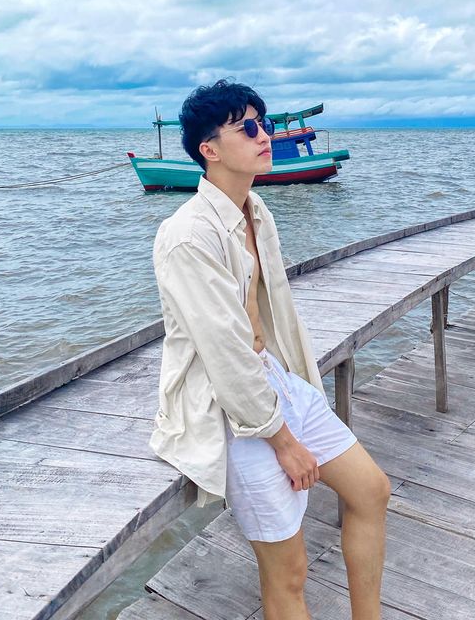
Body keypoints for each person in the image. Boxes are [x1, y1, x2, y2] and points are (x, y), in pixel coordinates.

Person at [149, 78, 390, 620]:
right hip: (228, 408)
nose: (265, 135)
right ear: (209, 149)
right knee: (289, 572)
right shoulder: (187, 235)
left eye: (264, 123)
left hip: (272, 379)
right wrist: (283, 441)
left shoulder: (255, 210)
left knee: (371, 491)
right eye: (247, 128)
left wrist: (296, 394)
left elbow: (272, 314)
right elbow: (223, 353)